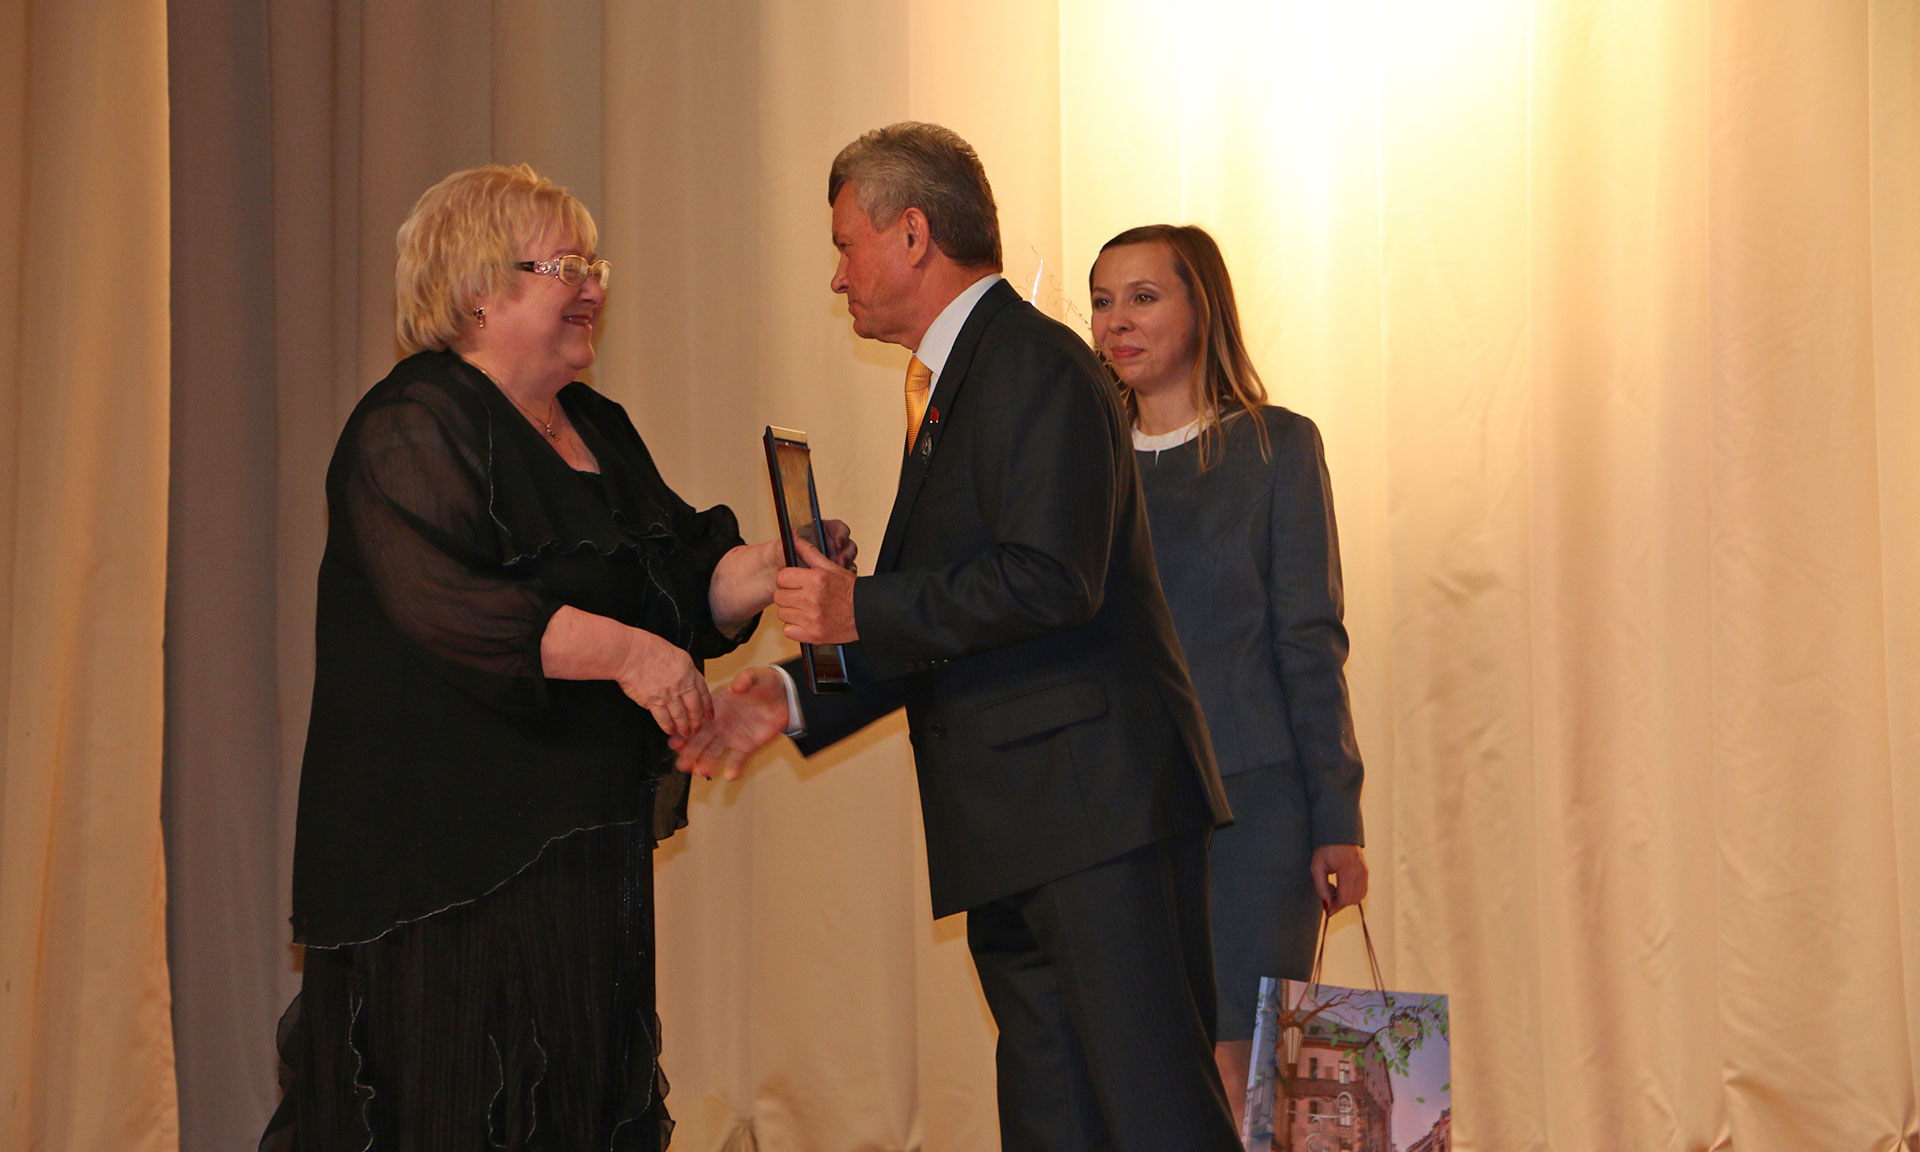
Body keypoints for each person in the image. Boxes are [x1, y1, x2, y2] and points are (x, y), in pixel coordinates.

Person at [673, 124, 1242, 1150]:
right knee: (1056, 1127)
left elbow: (1051, 579)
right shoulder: (961, 379)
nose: (837, 277)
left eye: (845, 245)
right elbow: (946, 620)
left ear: (914, 233)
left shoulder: (1035, 365)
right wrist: (788, 697)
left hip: (1096, 818)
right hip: (1023, 830)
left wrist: (859, 607)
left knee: (1156, 1120)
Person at [262, 163, 849, 1151]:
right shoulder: (412, 424)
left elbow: (678, 578)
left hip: (580, 850)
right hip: (446, 866)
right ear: (476, 289)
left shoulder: (597, 427)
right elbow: (456, 608)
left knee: (578, 1107)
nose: (593, 289)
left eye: (594, 266)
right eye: (564, 268)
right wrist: (628, 655)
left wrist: (775, 564)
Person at [1087, 224, 1369, 1124]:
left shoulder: (1277, 447)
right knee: (1142, 1075)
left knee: (1248, 1079)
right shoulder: (1081, 465)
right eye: (1101, 301)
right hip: (1117, 820)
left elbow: (1309, 641)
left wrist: (1336, 818)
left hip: (1255, 816)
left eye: (1143, 297)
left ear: (1201, 307)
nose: (1116, 321)